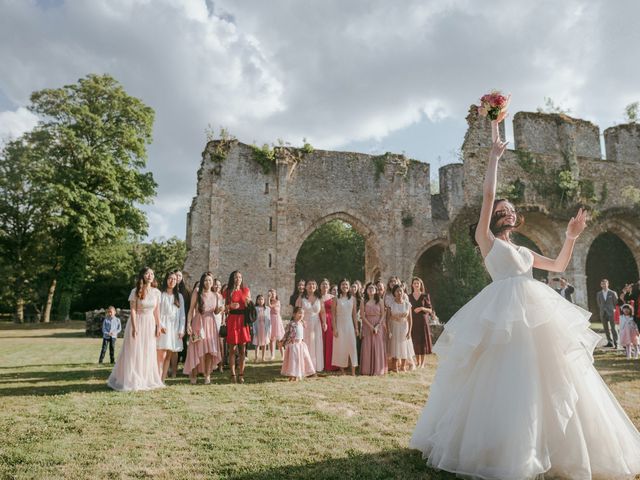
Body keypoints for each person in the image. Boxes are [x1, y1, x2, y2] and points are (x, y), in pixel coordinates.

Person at [410, 112, 640, 479]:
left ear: (516, 219)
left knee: (549, 376)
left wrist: (572, 234)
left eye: (509, 210)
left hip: (535, 311)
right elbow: (487, 193)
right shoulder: (487, 242)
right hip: (502, 311)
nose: (506, 211)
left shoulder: (526, 252)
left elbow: (560, 265)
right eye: (501, 210)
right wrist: (494, 152)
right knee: (504, 375)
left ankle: (548, 445)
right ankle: (504, 445)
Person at [107, 267, 164, 392]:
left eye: (152, 273)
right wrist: (134, 326)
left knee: (147, 351)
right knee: (134, 351)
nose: (150, 275)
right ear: (142, 275)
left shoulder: (156, 292)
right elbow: (132, 309)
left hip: (150, 323)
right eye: (147, 273)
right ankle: (132, 379)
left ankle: (146, 378)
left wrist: (158, 326)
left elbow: (157, 311)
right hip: (137, 321)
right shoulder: (135, 291)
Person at [183, 272, 222, 385]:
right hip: (198, 323)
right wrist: (188, 325)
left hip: (211, 324)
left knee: (209, 351)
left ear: (212, 282)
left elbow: (215, 311)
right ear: (202, 281)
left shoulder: (216, 295)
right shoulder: (197, 291)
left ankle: (207, 375)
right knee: (196, 349)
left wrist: (220, 309)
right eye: (205, 280)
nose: (208, 282)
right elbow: (191, 310)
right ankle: (194, 375)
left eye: (210, 280)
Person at [156, 272, 185, 380]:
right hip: (163, 327)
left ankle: (162, 379)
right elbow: (157, 312)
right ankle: (156, 377)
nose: (172, 281)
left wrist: (181, 329)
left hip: (174, 328)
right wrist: (160, 325)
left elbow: (182, 314)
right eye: (170, 278)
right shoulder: (160, 294)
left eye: (174, 279)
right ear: (166, 280)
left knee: (169, 354)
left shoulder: (179, 296)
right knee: (161, 354)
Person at [225, 270, 251, 383]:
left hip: (243, 320)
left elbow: (249, 306)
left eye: (240, 277)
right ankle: (232, 374)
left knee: (242, 349)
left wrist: (247, 304)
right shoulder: (227, 291)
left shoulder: (246, 290)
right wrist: (230, 306)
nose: (238, 279)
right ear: (232, 279)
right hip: (232, 319)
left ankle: (241, 374)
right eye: (236, 277)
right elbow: (223, 308)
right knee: (232, 349)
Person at [296, 279, 326, 372]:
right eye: (309, 284)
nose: (311, 286)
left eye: (313, 284)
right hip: (305, 324)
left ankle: (315, 367)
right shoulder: (301, 298)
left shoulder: (319, 298)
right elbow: (296, 311)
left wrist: (324, 323)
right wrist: (299, 322)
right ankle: (305, 367)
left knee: (316, 344)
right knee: (306, 344)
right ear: (306, 286)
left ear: (316, 287)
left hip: (316, 324)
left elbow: (323, 312)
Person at [332, 279, 359, 376]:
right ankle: (342, 370)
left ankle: (353, 371)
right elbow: (333, 315)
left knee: (352, 346)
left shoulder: (353, 299)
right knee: (340, 347)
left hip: (349, 324)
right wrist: (334, 328)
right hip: (339, 324)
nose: (345, 286)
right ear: (340, 286)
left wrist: (356, 328)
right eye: (343, 284)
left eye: (347, 285)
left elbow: (354, 315)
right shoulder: (335, 299)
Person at [280, 307, 315, 381]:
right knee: (293, 361)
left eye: (302, 313)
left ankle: (297, 375)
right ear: (294, 314)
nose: (301, 315)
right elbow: (286, 334)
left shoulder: (302, 323)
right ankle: (292, 375)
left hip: (300, 345)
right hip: (293, 345)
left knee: (300, 360)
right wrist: (282, 341)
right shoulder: (291, 324)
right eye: (299, 313)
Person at [359, 282, 386, 376]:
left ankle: (378, 369)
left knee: (378, 346)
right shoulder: (363, 301)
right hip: (367, 325)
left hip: (378, 324)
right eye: (369, 288)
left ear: (375, 290)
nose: (371, 290)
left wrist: (378, 326)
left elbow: (383, 314)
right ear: (366, 290)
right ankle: (367, 369)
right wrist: (371, 326)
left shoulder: (380, 301)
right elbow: (362, 315)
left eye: (373, 288)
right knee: (367, 345)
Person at [386, 284, 413, 373]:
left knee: (404, 345)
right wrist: (389, 330)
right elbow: (387, 318)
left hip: (404, 326)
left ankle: (403, 366)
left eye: (401, 291)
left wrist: (409, 332)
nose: (399, 293)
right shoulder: (391, 304)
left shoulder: (407, 304)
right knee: (395, 345)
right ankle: (395, 367)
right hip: (395, 326)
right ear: (394, 293)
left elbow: (410, 319)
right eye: (397, 291)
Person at [408, 277, 433, 368]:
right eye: (414, 283)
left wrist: (422, 308)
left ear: (420, 285)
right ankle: (417, 362)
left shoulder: (425, 296)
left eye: (418, 283)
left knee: (423, 342)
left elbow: (430, 310)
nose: (416, 285)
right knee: (415, 341)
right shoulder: (409, 296)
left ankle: (422, 363)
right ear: (412, 285)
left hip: (423, 322)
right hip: (413, 321)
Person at [319, 279, 338, 372]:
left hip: (330, 320)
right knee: (321, 342)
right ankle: (320, 364)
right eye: (323, 284)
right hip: (319, 320)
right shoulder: (318, 297)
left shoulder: (333, 297)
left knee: (330, 342)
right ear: (320, 286)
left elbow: (336, 311)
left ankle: (330, 365)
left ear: (329, 286)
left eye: (326, 284)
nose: (325, 286)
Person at [597, 278, 619, 348]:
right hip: (603, 313)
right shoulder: (599, 294)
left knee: (613, 328)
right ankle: (610, 342)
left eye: (605, 284)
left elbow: (616, 303)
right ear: (601, 285)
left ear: (608, 284)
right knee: (606, 328)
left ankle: (616, 343)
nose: (604, 285)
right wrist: (602, 309)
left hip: (612, 312)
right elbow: (599, 303)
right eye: (602, 284)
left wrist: (614, 310)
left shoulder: (612, 293)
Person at [252, 294, 271, 363]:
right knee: (257, 343)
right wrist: (253, 328)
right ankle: (256, 357)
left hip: (264, 327)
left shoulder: (267, 308)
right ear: (257, 300)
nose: (260, 301)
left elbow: (269, 319)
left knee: (264, 343)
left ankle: (263, 357)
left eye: (262, 299)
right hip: (257, 326)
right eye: (259, 299)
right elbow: (253, 319)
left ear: (264, 300)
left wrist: (269, 329)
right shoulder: (255, 308)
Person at [267, 289, 285, 360]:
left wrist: (268, 299)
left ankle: (282, 355)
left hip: (277, 320)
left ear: (275, 294)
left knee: (279, 339)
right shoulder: (268, 301)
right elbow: (268, 307)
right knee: (272, 339)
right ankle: (272, 355)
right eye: (271, 293)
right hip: (271, 320)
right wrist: (268, 299)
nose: (272, 294)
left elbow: (271, 306)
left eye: (273, 293)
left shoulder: (278, 302)